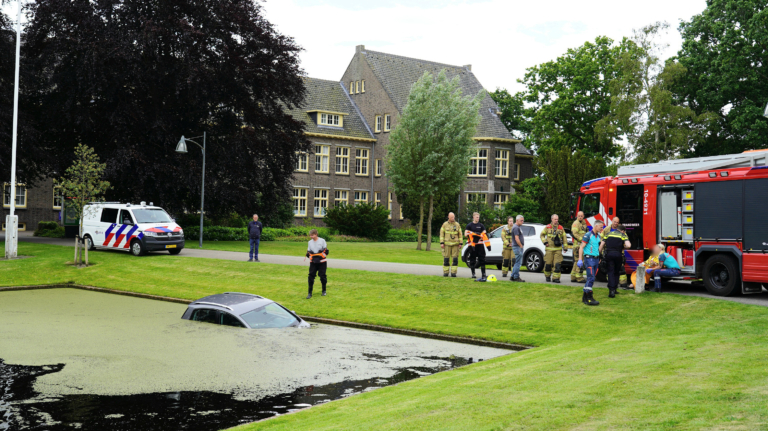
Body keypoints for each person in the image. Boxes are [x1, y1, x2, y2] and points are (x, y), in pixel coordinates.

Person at [577, 220, 604, 306]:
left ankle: (585, 297)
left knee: (592, 278)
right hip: (589, 259)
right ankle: (589, 298)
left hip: (595, 259)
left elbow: (597, 248)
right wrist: (580, 259)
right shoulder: (588, 235)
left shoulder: (598, 236)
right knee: (591, 278)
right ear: (595, 226)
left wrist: (599, 257)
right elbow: (581, 247)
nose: (601, 228)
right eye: (600, 226)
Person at [603, 224, 631, 298]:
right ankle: (615, 289)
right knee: (616, 272)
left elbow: (601, 245)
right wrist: (622, 247)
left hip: (609, 255)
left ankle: (611, 290)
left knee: (610, 272)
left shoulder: (608, 234)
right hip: (618, 255)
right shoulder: (622, 235)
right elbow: (628, 246)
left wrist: (600, 255)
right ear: (623, 231)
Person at [540, 214, 567, 283]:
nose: (556, 221)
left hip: (558, 249)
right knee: (548, 264)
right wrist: (545, 242)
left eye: (557, 219)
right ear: (552, 219)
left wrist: (565, 247)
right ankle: (547, 276)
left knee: (557, 264)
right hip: (549, 249)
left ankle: (556, 278)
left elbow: (564, 238)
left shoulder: (561, 228)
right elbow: (542, 235)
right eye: (555, 219)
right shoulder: (547, 227)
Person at [465, 212, 491, 281]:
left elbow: (484, 233)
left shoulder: (481, 225)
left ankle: (483, 274)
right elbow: (465, 234)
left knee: (482, 259)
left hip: (480, 245)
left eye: (478, 217)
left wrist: (480, 235)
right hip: (472, 245)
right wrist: (473, 235)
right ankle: (473, 274)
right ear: (473, 217)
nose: (478, 218)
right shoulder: (469, 225)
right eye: (477, 217)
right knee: (472, 259)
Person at [305, 229, 329, 299]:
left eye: (312, 235)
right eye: (310, 235)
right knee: (311, 276)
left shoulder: (322, 240)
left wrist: (320, 257)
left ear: (316, 234)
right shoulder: (309, 242)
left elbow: (325, 251)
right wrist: (310, 256)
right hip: (313, 262)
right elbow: (308, 251)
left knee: (322, 276)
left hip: (322, 262)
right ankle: (309, 293)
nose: (311, 236)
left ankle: (324, 291)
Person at [439, 212, 463, 277]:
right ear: (448, 217)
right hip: (446, 244)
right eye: (452, 217)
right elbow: (441, 234)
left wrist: (460, 243)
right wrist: (442, 242)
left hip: (455, 244)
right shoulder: (445, 224)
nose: (453, 218)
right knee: (446, 259)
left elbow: (460, 234)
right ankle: (446, 272)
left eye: (454, 217)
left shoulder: (457, 225)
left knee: (455, 259)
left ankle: (453, 273)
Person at [570, 211, 588, 283]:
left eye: (581, 216)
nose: (580, 217)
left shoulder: (584, 223)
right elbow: (574, 234)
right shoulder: (575, 223)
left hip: (582, 245)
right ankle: (579, 277)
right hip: (578, 245)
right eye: (579, 216)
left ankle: (573, 276)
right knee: (580, 261)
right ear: (577, 216)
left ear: (583, 216)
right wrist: (582, 240)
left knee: (576, 261)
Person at [510, 215, 526, 282]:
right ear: (517, 220)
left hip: (517, 246)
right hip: (517, 246)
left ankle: (512, 276)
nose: (522, 221)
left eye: (523, 220)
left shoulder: (517, 227)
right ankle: (516, 277)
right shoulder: (516, 227)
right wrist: (520, 246)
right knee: (518, 263)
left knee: (517, 262)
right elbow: (516, 238)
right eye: (521, 220)